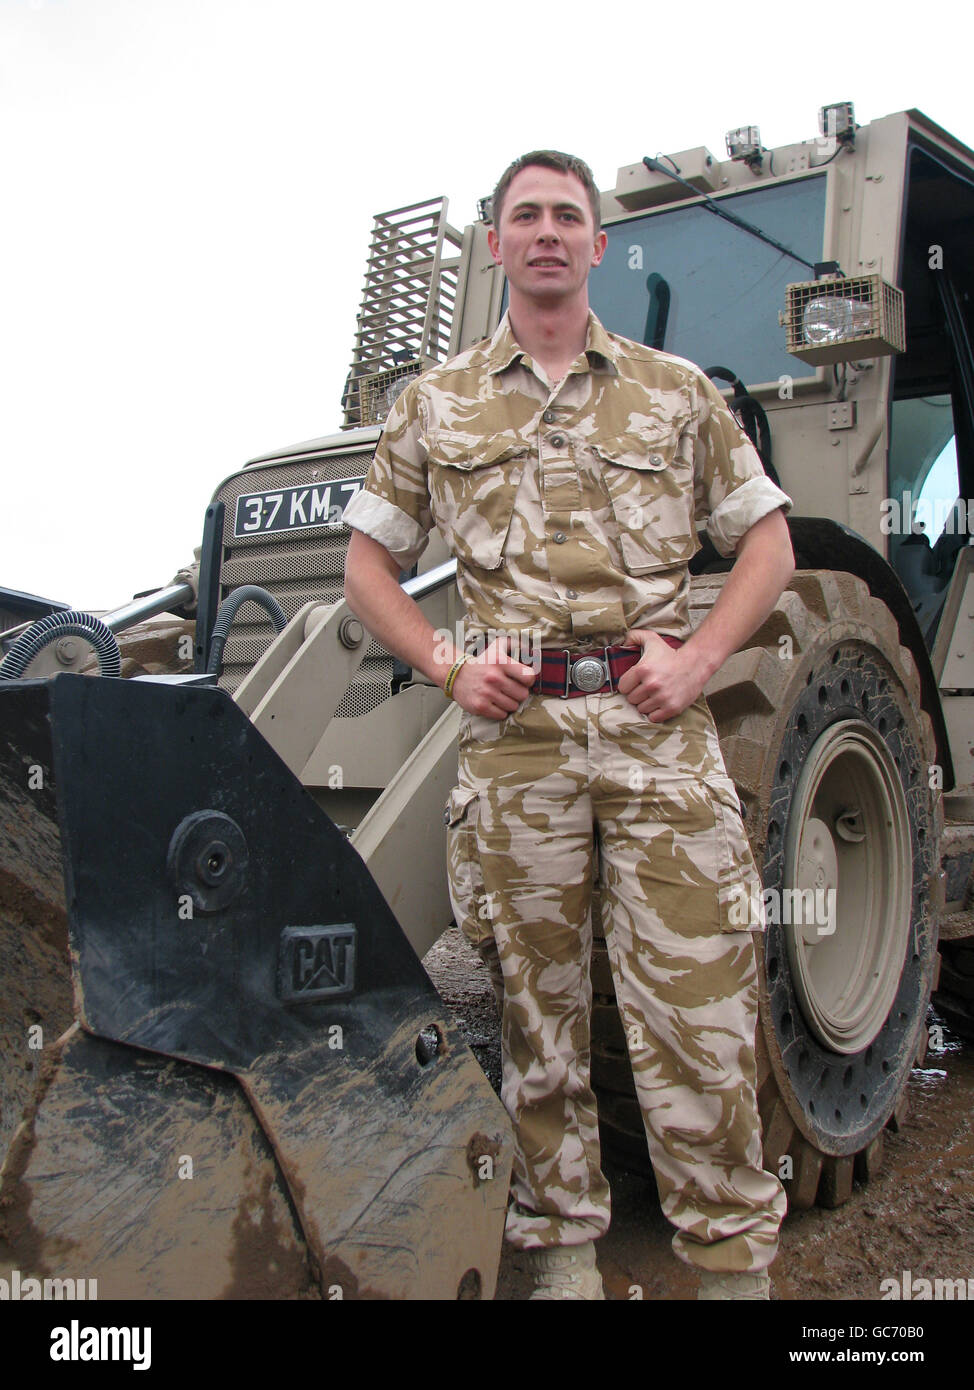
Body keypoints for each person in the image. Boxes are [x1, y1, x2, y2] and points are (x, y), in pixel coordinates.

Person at [343, 149, 794, 1300]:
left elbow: (767, 545)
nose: (546, 232)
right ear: (495, 243)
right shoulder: (431, 406)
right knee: (535, 1010)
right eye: (523, 216)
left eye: (568, 217)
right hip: (517, 745)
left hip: (656, 735)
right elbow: (367, 565)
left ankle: (732, 1264)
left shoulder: (677, 392)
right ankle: (564, 1260)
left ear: (598, 246)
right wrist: (446, 665)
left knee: (701, 1000)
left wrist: (697, 660)